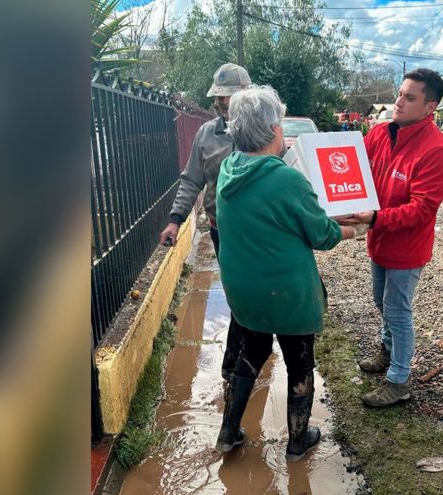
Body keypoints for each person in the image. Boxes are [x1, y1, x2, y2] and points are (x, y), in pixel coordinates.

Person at [213, 85, 369, 460]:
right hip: (287, 294)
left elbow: (274, 218)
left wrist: (321, 216)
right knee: (299, 362)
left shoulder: (228, 171)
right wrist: (356, 229)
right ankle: (298, 441)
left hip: (245, 292)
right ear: (272, 131)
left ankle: (228, 432)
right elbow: (321, 235)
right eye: (280, 123)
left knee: (251, 353)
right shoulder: (287, 179)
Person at [340, 69, 443, 408]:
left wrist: (375, 218)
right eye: (400, 94)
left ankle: (399, 380)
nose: (398, 102)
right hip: (379, 239)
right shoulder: (378, 134)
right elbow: (355, 172)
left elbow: (421, 210)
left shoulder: (435, 150)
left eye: (409, 97)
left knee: (397, 310)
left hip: (406, 247)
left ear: (430, 106)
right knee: (381, 301)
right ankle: (387, 350)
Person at [158, 63, 253, 381]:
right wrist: (175, 220)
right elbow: (190, 181)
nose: (225, 103)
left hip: (259, 229)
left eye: (231, 97)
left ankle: (239, 357)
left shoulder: (265, 132)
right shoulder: (206, 135)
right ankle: (238, 359)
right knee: (236, 291)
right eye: (221, 98)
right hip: (221, 229)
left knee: (253, 291)